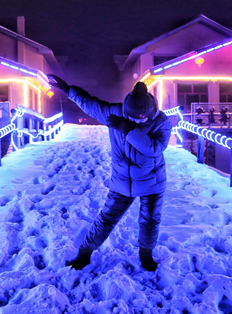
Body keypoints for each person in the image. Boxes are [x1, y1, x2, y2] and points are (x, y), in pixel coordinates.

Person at [48, 74, 171, 271]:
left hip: (152, 182)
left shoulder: (161, 122)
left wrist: (129, 129)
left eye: (142, 120)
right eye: (133, 119)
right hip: (122, 181)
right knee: (106, 218)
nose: (139, 122)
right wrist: (66, 88)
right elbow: (90, 104)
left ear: (150, 112)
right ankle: (84, 255)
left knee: (149, 221)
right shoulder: (115, 113)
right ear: (126, 111)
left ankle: (146, 257)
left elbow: (154, 149)